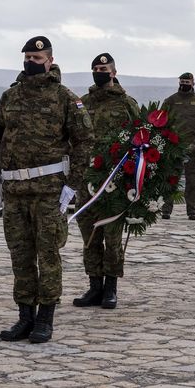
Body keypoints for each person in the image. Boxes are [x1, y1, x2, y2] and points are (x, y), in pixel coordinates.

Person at [0, 36, 94, 343]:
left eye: (37, 57)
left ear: (50, 61)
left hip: (48, 191)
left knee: (47, 255)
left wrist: (73, 185)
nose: (31, 62)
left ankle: (45, 319)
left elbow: (85, 142)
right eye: (27, 56)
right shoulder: (10, 97)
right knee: (20, 255)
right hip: (15, 190)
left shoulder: (65, 98)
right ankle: (24, 317)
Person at [73, 53, 140, 310]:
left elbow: (140, 138)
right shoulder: (83, 102)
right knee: (90, 234)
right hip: (87, 179)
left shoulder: (126, 103)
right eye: (95, 68)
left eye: (103, 68)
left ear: (113, 72)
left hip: (114, 181)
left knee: (112, 236)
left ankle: (111, 287)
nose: (98, 72)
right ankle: (94, 286)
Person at [160, 72, 195, 220]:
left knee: (191, 181)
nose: (185, 84)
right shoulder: (170, 101)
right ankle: (166, 209)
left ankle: (192, 211)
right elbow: (161, 121)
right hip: (174, 148)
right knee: (171, 180)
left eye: (187, 81)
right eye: (182, 81)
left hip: (193, 148)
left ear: (193, 83)